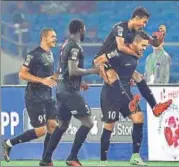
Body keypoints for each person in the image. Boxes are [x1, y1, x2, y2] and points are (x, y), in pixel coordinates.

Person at [95, 31, 172, 166]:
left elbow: (135, 76)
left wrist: (153, 104)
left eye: (145, 46)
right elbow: (97, 60)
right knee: (109, 125)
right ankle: (103, 161)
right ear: (133, 43)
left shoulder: (135, 57)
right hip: (111, 93)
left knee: (139, 117)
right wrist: (103, 69)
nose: (144, 48)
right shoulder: (118, 53)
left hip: (126, 91)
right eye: (142, 45)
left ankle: (135, 156)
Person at [40, 19, 98, 166]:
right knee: (88, 122)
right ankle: (72, 157)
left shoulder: (66, 43)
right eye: (84, 29)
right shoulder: (75, 46)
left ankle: (46, 159)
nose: (84, 31)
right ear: (81, 30)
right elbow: (73, 71)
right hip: (69, 91)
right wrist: (94, 70)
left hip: (61, 88)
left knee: (63, 125)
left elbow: (65, 70)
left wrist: (80, 82)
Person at [3, 28, 58, 162]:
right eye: (52, 37)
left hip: (48, 96)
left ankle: (46, 160)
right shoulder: (33, 55)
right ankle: (9, 143)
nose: (55, 39)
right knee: (41, 131)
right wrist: (42, 80)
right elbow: (22, 74)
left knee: (53, 126)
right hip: (35, 96)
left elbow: (48, 76)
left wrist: (58, 77)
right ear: (44, 38)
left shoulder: (50, 54)